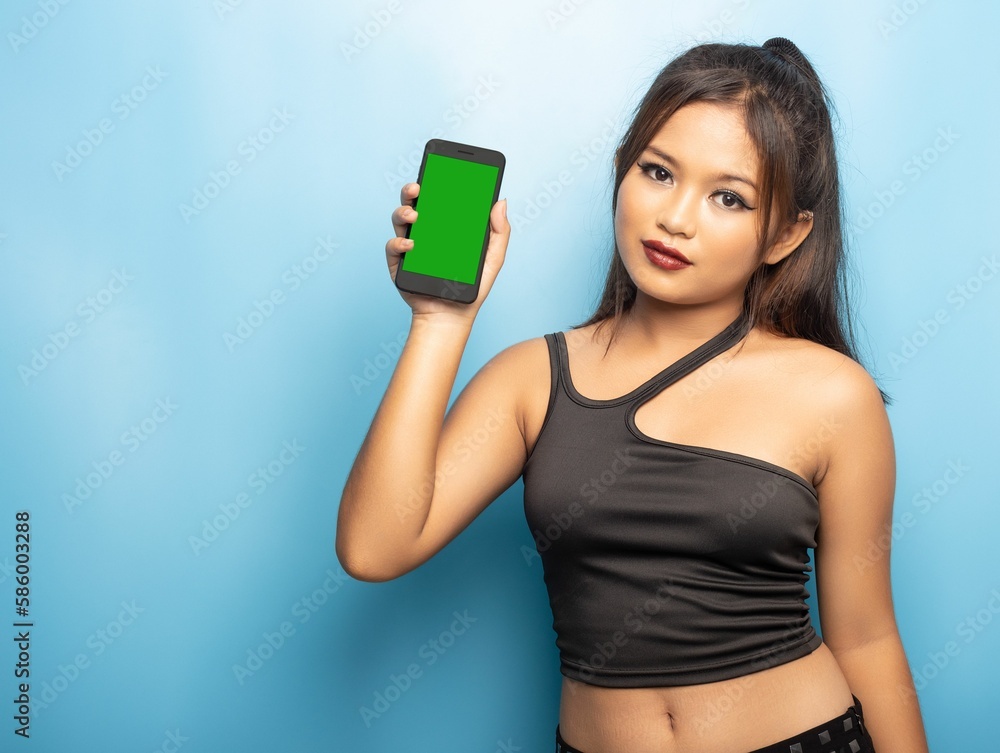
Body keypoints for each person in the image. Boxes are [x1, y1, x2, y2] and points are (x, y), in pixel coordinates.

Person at [337, 37, 931, 753]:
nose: (676, 218)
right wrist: (439, 320)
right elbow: (375, 545)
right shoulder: (534, 378)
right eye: (657, 171)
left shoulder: (834, 394)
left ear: (785, 233)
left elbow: (866, 639)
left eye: (728, 197)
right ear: (623, 170)